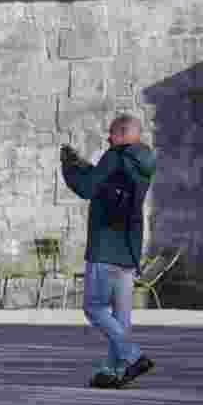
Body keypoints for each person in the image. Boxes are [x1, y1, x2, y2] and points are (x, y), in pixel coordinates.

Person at [60, 114, 156, 388]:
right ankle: (115, 372)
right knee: (120, 317)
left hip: (105, 247)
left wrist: (69, 167)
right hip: (128, 250)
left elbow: (89, 188)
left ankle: (133, 355)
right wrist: (85, 165)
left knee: (94, 308)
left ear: (122, 135)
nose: (108, 139)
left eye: (111, 134)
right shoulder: (143, 162)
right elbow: (106, 184)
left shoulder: (115, 156)